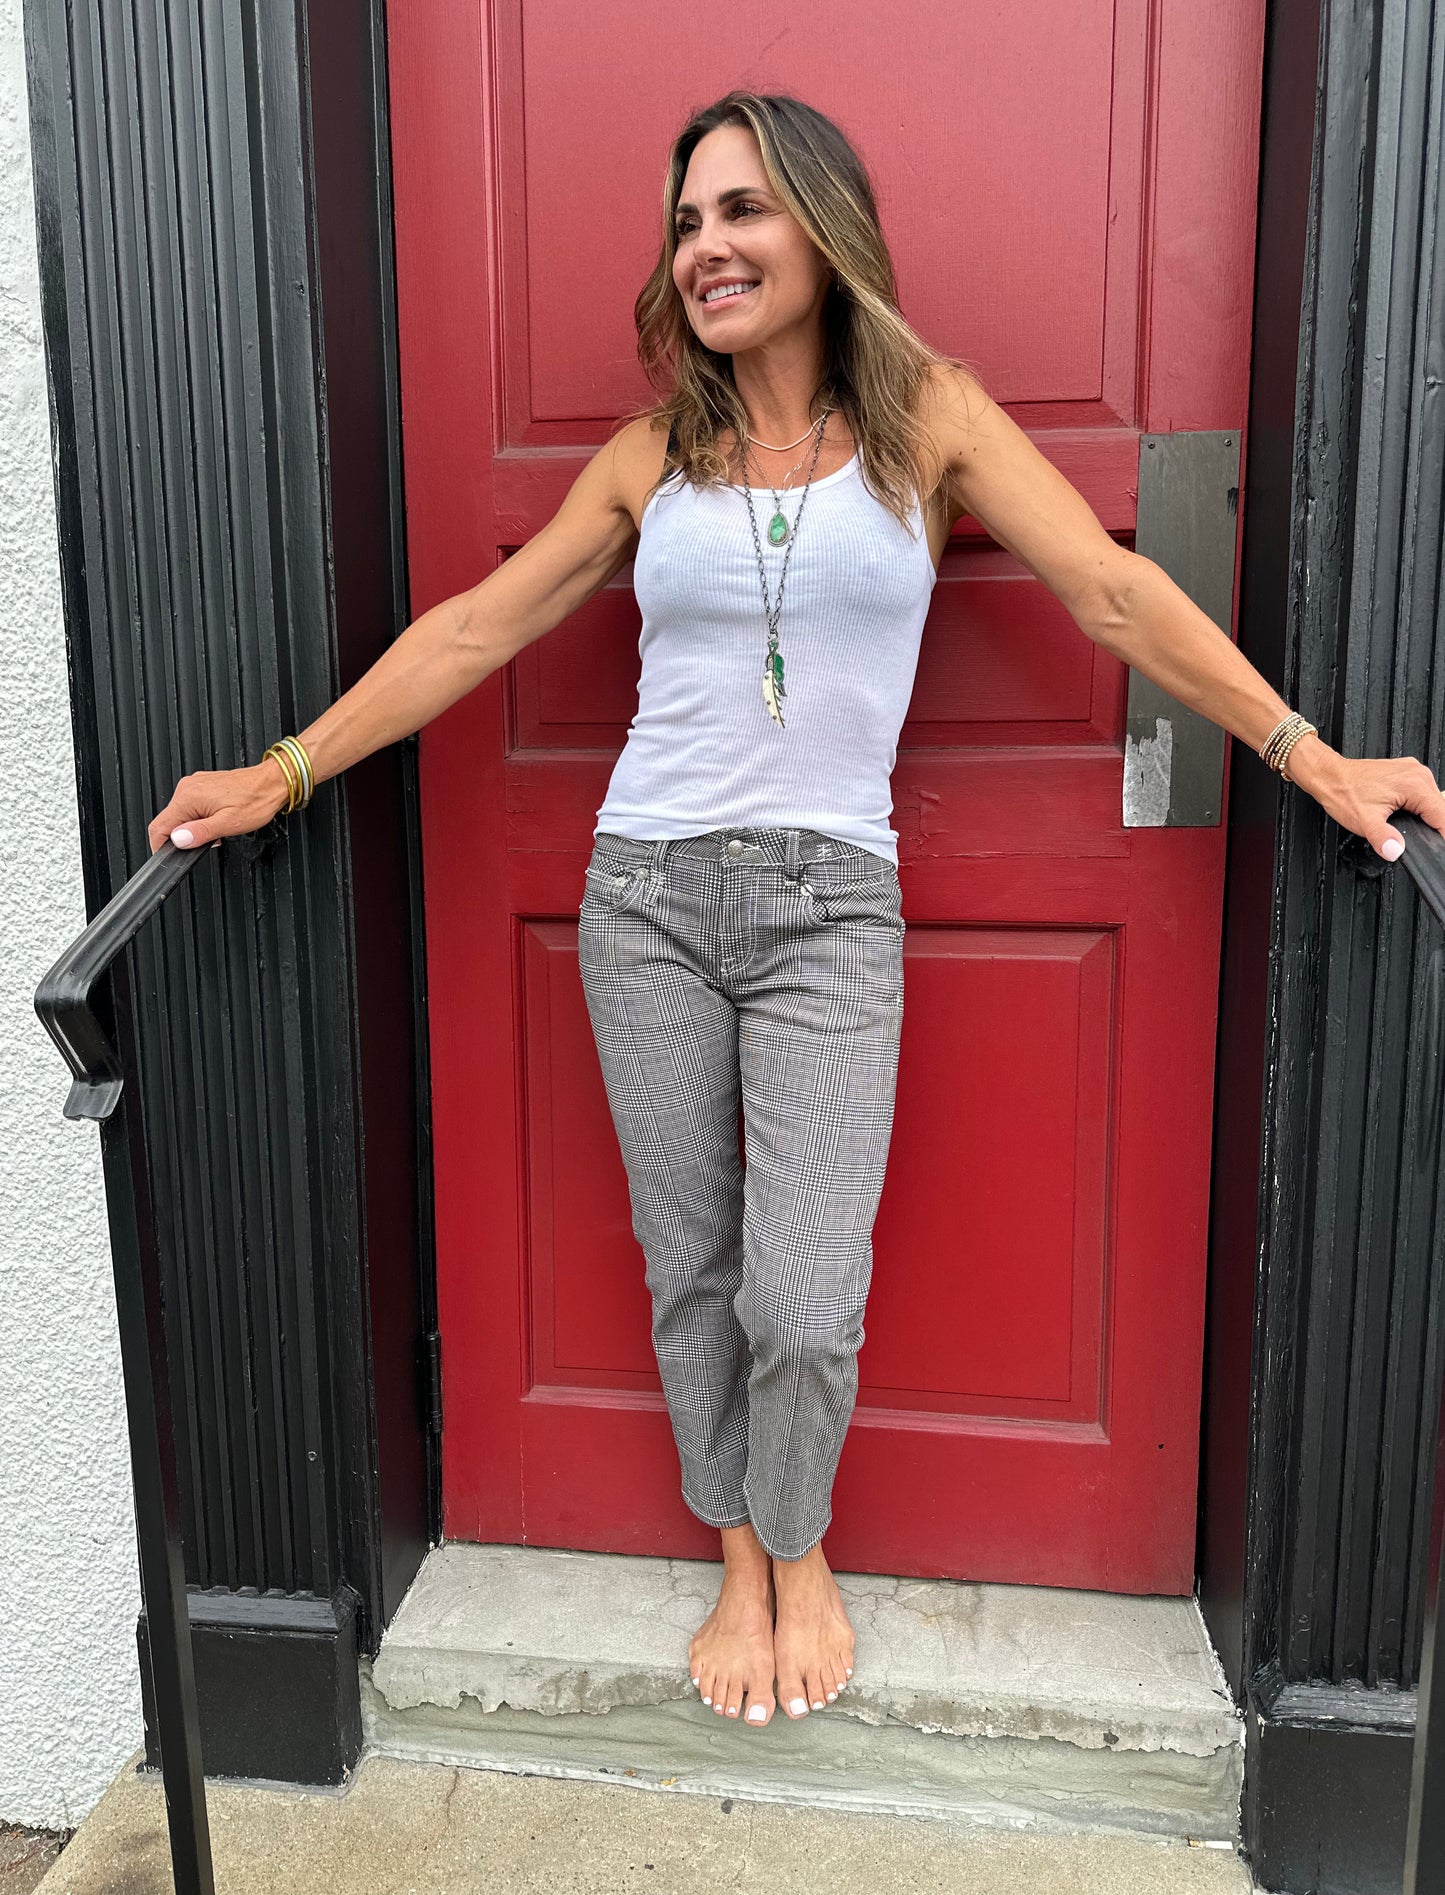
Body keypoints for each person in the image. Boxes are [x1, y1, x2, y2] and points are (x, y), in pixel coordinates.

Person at [147, 90, 1445, 1734]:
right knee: (690, 1266)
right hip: (646, 897)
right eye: (686, 223)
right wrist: (284, 768)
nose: (708, 248)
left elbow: (1112, 591)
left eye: (742, 212)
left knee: (803, 1292)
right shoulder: (651, 458)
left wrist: (1305, 756)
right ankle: (743, 1551)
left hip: (833, 901)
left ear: (822, 231)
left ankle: (801, 1530)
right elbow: (476, 627)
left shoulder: (932, 423)